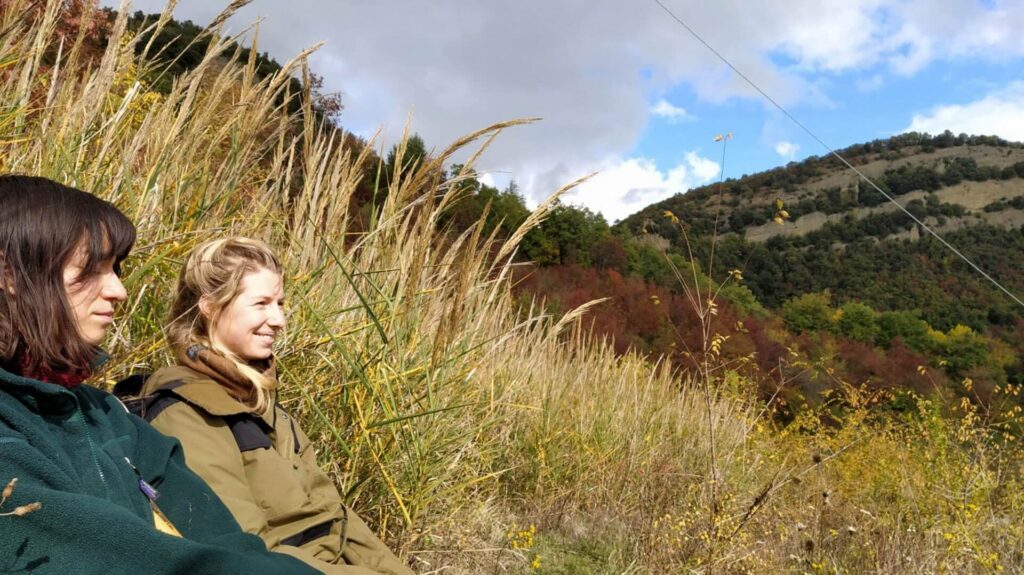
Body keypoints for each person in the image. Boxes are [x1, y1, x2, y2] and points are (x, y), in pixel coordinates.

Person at [0, 175, 321, 574]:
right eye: (91, 269)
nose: (118, 290)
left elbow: (230, 542)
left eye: (116, 269)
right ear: (9, 274)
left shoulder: (107, 417)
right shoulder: (13, 430)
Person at [131, 237, 412, 575]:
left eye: (280, 303)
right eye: (261, 303)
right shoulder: (185, 413)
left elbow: (339, 519)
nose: (278, 319)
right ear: (210, 306)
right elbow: (243, 554)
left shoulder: (272, 413)